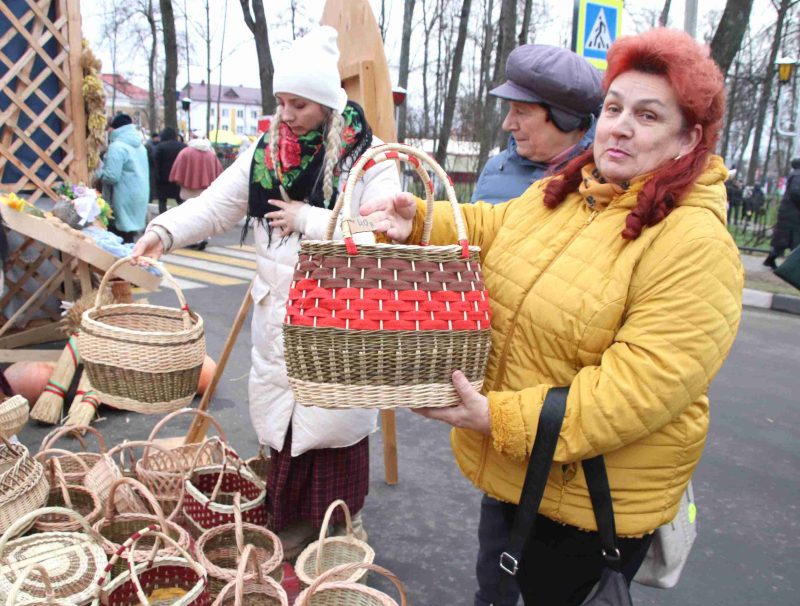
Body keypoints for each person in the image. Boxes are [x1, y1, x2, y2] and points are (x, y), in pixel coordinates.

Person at [360, 28, 743, 605]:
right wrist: (418, 217)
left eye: (647, 115)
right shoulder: (575, 192)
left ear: (690, 138)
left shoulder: (695, 242)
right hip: (520, 475)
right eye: (614, 108)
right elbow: (495, 229)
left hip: (588, 506)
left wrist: (500, 418)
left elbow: (637, 389)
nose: (620, 125)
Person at [131, 26, 400, 558]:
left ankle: (338, 527)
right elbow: (214, 205)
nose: (287, 113)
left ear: (326, 103)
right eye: (281, 101)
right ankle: (291, 520)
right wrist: (162, 233)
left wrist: (311, 218)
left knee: (331, 430)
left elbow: (385, 237)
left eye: (299, 103)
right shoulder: (264, 154)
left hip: (339, 323)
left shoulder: (371, 160)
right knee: (283, 424)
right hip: (278, 316)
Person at [471, 45, 603, 204]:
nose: (507, 124)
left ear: (565, 120)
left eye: (521, 112)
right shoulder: (496, 170)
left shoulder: (606, 183)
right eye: (510, 109)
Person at [95, 113, 149, 243]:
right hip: (139, 196)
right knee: (130, 236)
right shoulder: (140, 146)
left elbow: (111, 177)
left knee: (119, 238)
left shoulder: (117, 147)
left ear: (114, 129)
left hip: (122, 197)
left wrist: (97, 172)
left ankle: (124, 262)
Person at [168, 132, 224, 250]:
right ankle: (203, 238)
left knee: (188, 216)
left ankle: (191, 239)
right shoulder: (210, 154)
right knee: (204, 216)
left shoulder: (185, 152)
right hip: (205, 192)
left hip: (188, 191)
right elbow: (219, 173)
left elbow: (177, 171)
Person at [764, 158, 800, 268]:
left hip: (789, 212)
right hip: (792, 213)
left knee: (784, 239)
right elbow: (796, 192)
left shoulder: (795, 174)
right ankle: (789, 265)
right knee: (790, 239)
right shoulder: (798, 175)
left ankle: (771, 259)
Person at [154, 126, 186, 214]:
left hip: (163, 180)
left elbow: (156, 163)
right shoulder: (183, 147)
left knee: (162, 202)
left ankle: (162, 219)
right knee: (180, 201)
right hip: (178, 179)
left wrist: (156, 177)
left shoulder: (160, 147)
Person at [145, 131, 160, 204]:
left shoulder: (149, 145)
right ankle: (152, 196)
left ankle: (153, 196)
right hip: (151, 167)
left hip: (152, 167)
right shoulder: (150, 145)